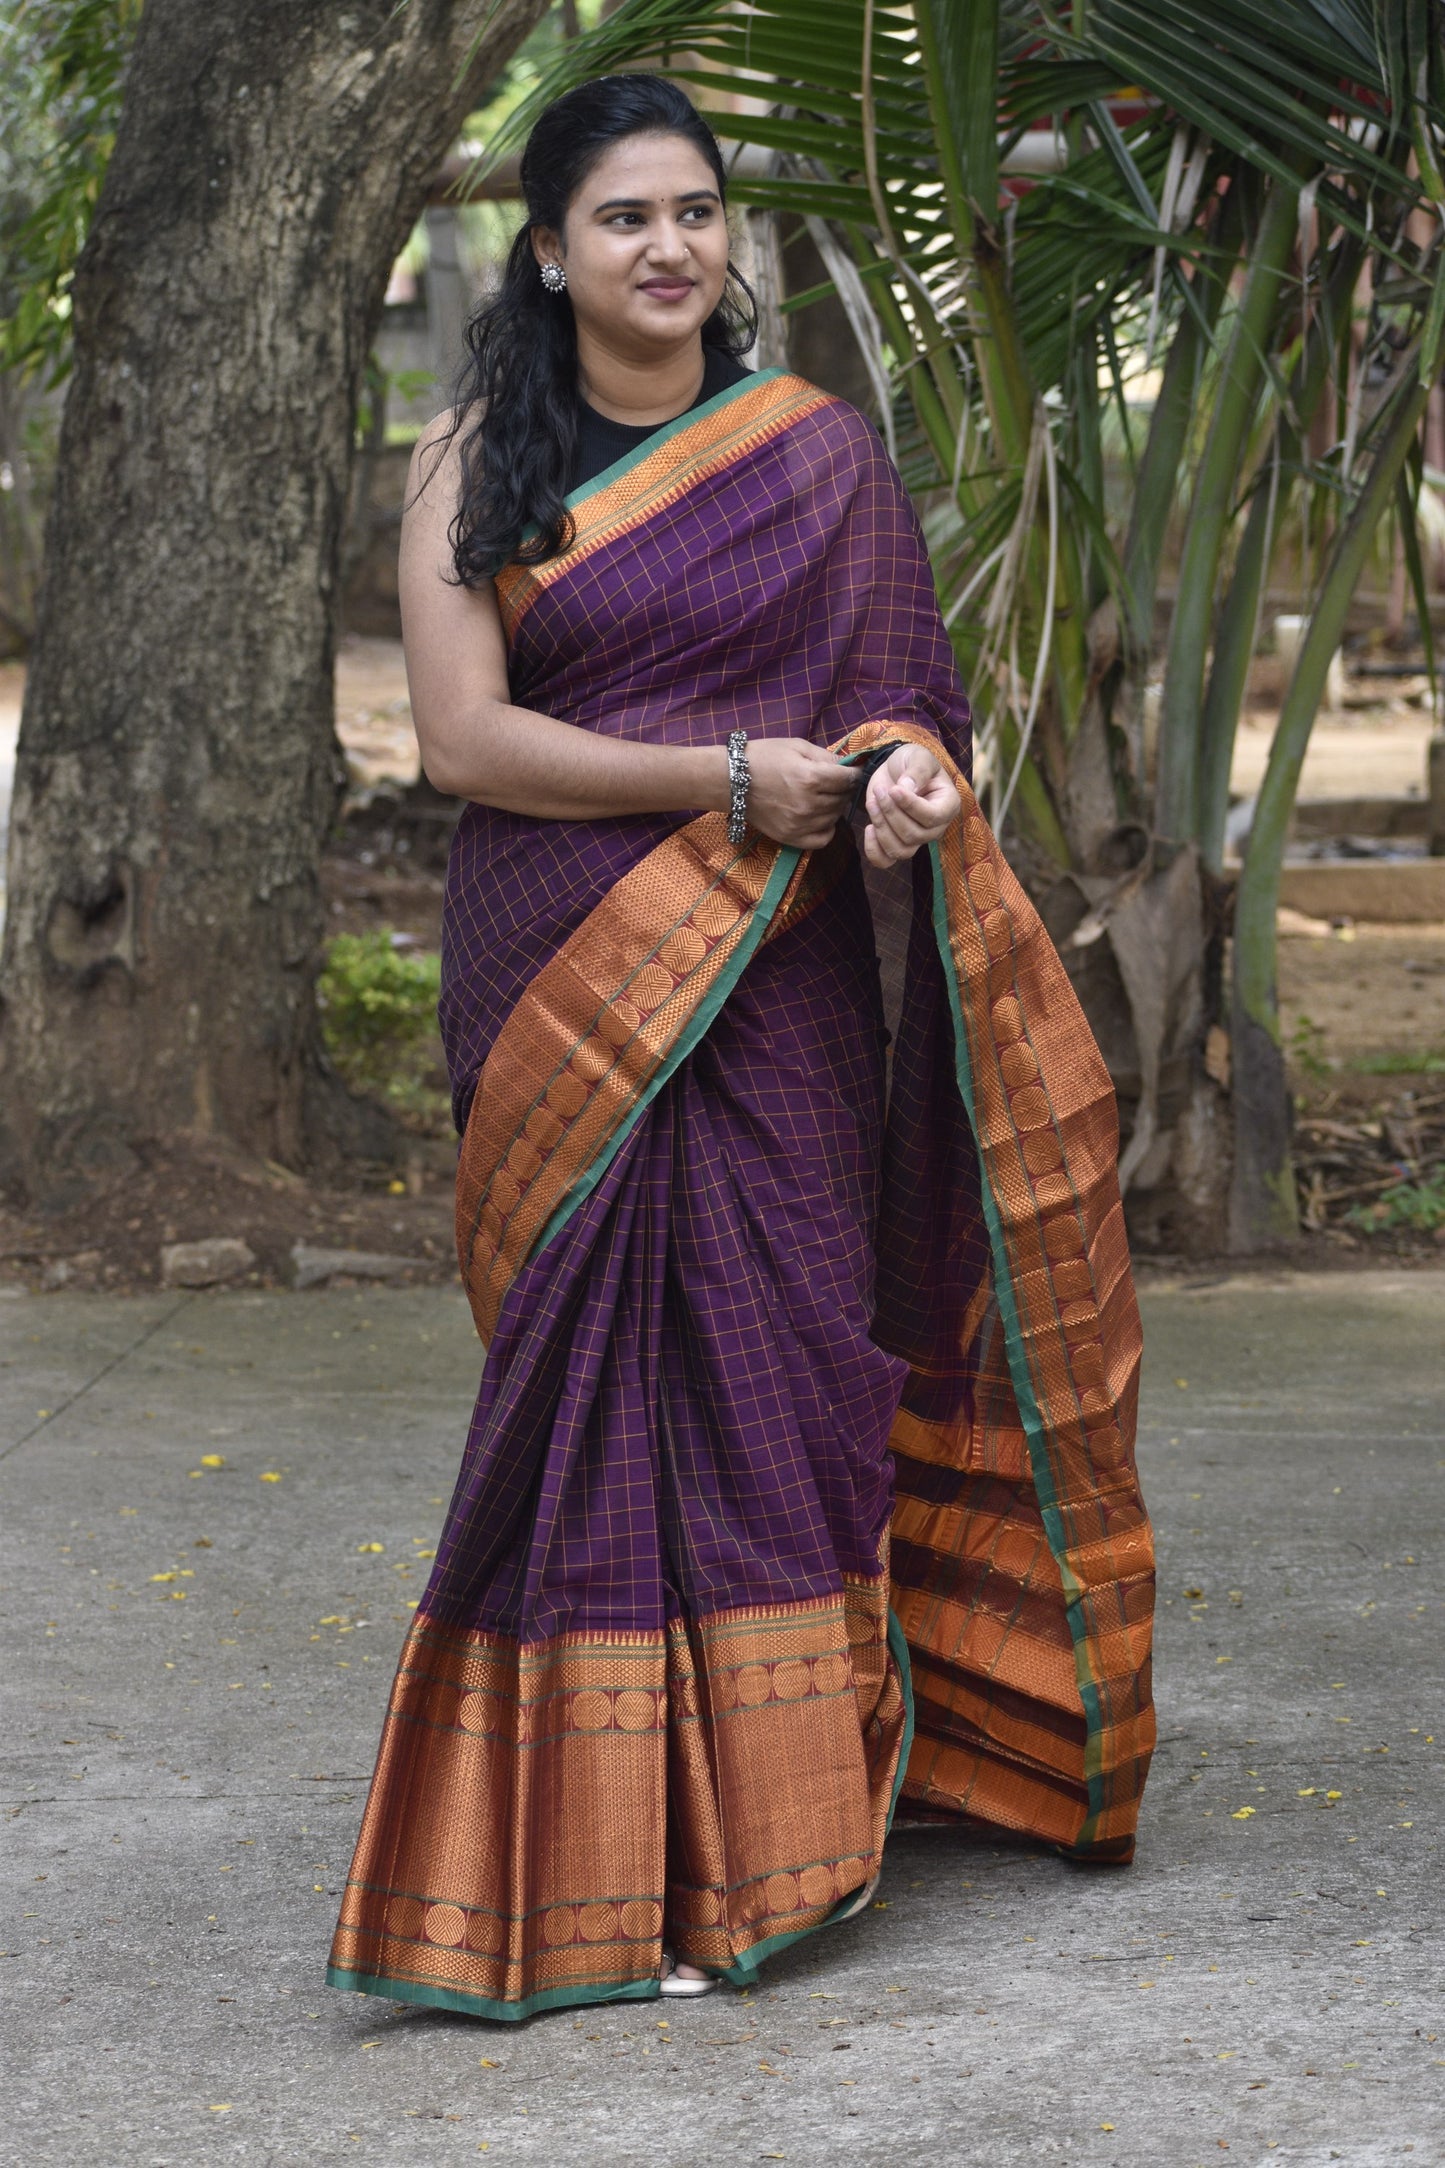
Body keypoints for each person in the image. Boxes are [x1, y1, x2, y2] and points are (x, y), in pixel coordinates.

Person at [328, 74, 1155, 2023]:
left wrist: (892, 788)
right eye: (624, 217)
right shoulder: (471, 462)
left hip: (772, 976)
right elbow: (462, 742)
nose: (670, 246)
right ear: (546, 248)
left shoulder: (812, 460)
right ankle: (605, 1874)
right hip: (563, 984)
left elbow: (896, 707)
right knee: (590, 1406)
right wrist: (722, 778)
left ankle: (770, 1844)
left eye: (695, 210)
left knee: (785, 1366)